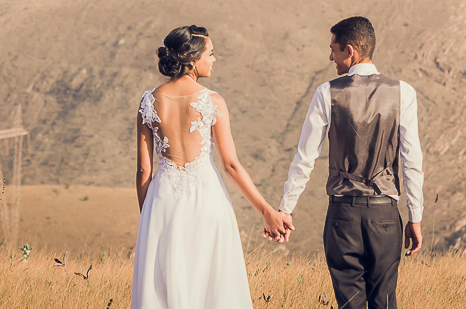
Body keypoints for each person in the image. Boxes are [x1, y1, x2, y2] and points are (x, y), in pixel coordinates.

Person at [131, 24, 291, 309]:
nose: (214, 59)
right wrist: (267, 211)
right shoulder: (212, 101)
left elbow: (144, 169)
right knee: (212, 285)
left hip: (162, 201)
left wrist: (148, 217)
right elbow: (230, 165)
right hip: (206, 199)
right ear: (192, 59)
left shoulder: (148, 102)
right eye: (211, 53)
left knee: (164, 286)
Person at [277, 16, 425, 309]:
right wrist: (415, 217)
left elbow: (305, 158)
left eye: (333, 49)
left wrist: (286, 209)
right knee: (384, 302)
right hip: (384, 216)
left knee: (350, 304)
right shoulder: (403, 92)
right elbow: (411, 160)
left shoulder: (326, 93)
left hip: (342, 215)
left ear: (350, 50)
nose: (330, 56)